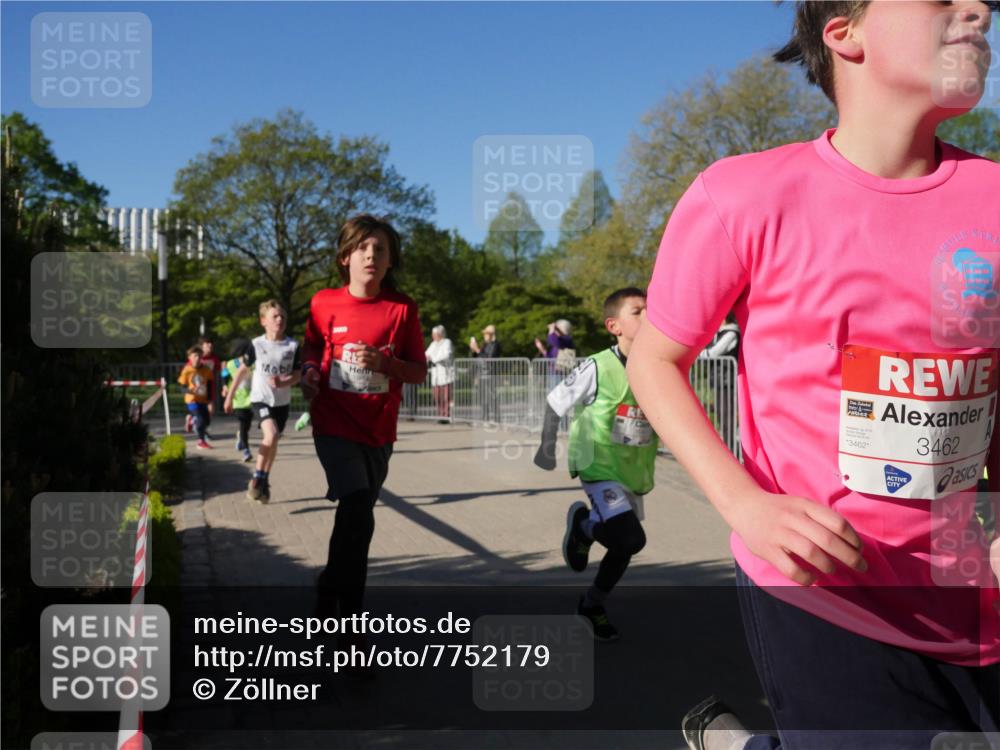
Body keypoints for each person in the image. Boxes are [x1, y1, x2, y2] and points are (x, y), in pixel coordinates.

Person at [626, 2, 1000, 749]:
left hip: (969, 596)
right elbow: (655, 358)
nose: (978, 8)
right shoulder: (742, 195)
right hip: (821, 592)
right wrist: (745, 505)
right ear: (844, 32)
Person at [300, 214, 427, 628]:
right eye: (362, 248)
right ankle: (352, 632)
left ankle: (330, 583)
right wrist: (309, 373)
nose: (371, 255)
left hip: (378, 429)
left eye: (380, 250)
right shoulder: (322, 302)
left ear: (391, 261)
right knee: (357, 506)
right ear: (344, 257)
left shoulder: (402, 308)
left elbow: (418, 370)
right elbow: (312, 349)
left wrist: (386, 363)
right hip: (333, 423)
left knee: (356, 521)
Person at [534, 288, 655, 642]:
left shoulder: (657, 365)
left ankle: (591, 604)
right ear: (614, 325)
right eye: (638, 311)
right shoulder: (597, 365)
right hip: (598, 465)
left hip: (632, 470)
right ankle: (585, 527)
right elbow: (556, 401)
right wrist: (545, 447)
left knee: (623, 546)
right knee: (631, 537)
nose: (648, 316)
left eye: (651, 309)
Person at [224, 300, 301, 503]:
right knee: (272, 434)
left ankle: (264, 479)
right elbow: (242, 371)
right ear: (263, 321)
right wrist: (230, 396)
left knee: (273, 441)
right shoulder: (256, 344)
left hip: (282, 402)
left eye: (282, 316)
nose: (280, 320)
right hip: (260, 399)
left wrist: (285, 381)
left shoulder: (292, 346)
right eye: (275, 316)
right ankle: (258, 476)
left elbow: (298, 375)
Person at [698, 313, 741, 451]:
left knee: (728, 419)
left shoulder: (730, 333)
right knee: (723, 418)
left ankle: (731, 451)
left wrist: (695, 354)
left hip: (727, 382)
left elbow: (714, 353)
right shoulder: (721, 333)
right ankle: (729, 449)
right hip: (719, 381)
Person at [221, 339, 254, 463]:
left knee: (247, 425)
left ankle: (241, 438)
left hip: (252, 399)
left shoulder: (253, 364)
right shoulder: (231, 364)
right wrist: (225, 387)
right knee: (243, 424)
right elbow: (224, 376)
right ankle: (246, 451)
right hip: (237, 400)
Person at [178, 345, 214, 450]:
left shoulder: (206, 369)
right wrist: (191, 391)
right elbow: (181, 388)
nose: (197, 358)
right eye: (195, 356)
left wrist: (210, 398)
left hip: (202, 399)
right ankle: (201, 441)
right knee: (201, 420)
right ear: (190, 357)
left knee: (207, 421)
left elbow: (210, 384)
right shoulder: (187, 370)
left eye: (199, 356)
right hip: (191, 400)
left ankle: (191, 420)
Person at [470, 324, 501, 423]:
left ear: (491, 335)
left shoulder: (495, 345)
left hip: (491, 373)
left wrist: (478, 350)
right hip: (482, 373)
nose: (484, 336)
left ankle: (496, 417)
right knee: (483, 396)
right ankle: (485, 416)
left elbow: (490, 358)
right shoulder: (485, 344)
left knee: (492, 396)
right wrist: (474, 350)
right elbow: (478, 357)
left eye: (486, 334)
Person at [425, 325, 455, 423]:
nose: (433, 336)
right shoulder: (433, 344)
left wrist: (434, 359)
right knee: (437, 397)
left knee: (446, 397)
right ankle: (440, 414)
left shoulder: (447, 342)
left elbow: (446, 354)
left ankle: (446, 416)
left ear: (440, 334)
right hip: (436, 375)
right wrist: (429, 358)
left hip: (446, 374)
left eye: (435, 334)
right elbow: (426, 354)